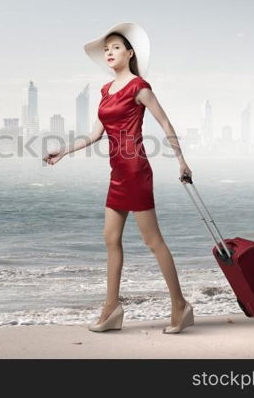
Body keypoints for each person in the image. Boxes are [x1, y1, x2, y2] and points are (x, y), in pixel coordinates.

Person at [43, 22, 195, 334]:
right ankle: (112, 308)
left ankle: (180, 305)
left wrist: (181, 160)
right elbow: (95, 134)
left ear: (129, 53)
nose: (109, 52)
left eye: (115, 47)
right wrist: (64, 151)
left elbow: (166, 123)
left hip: (136, 170)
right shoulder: (104, 91)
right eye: (106, 49)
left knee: (153, 241)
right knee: (110, 239)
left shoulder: (140, 87)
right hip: (117, 173)